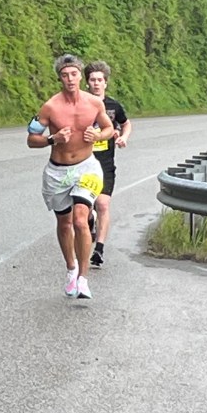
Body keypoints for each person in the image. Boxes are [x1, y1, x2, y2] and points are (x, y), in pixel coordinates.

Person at [27, 53, 115, 299]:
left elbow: (109, 128)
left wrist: (98, 136)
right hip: (57, 172)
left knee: (80, 219)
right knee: (65, 223)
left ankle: (83, 279)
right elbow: (31, 139)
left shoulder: (94, 104)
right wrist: (52, 139)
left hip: (87, 167)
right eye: (65, 75)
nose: (70, 79)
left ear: (80, 76)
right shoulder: (50, 107)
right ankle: (71, 269)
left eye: (74, 74)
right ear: (60, 78)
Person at [84, 61, 132, 267]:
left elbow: (126, 123)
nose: (96, 83)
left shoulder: (113, 106)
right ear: (87, 83)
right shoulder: (80, 104)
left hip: (105, 163)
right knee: (85, 208)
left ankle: (99, 249)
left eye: (99, 80)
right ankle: (90, 222)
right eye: (92, 80)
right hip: (83, 163)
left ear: (106, 83)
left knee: (103, 204)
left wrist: (123, 137)